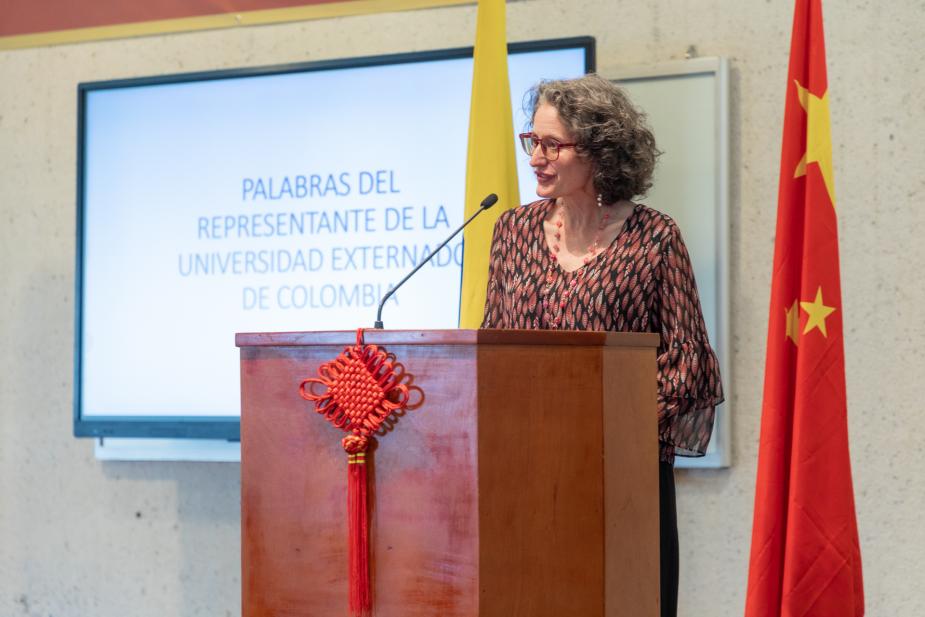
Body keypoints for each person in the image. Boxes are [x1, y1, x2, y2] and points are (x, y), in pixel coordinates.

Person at [480, 74, 724, 617]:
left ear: (599, 150)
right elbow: (492, 348)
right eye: (532, 141)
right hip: (525, 471)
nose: (535, 158)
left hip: (621, 474)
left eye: (552, 145)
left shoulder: (654, 238)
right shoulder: (511, 232)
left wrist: (606, 426)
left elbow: (686, 364)